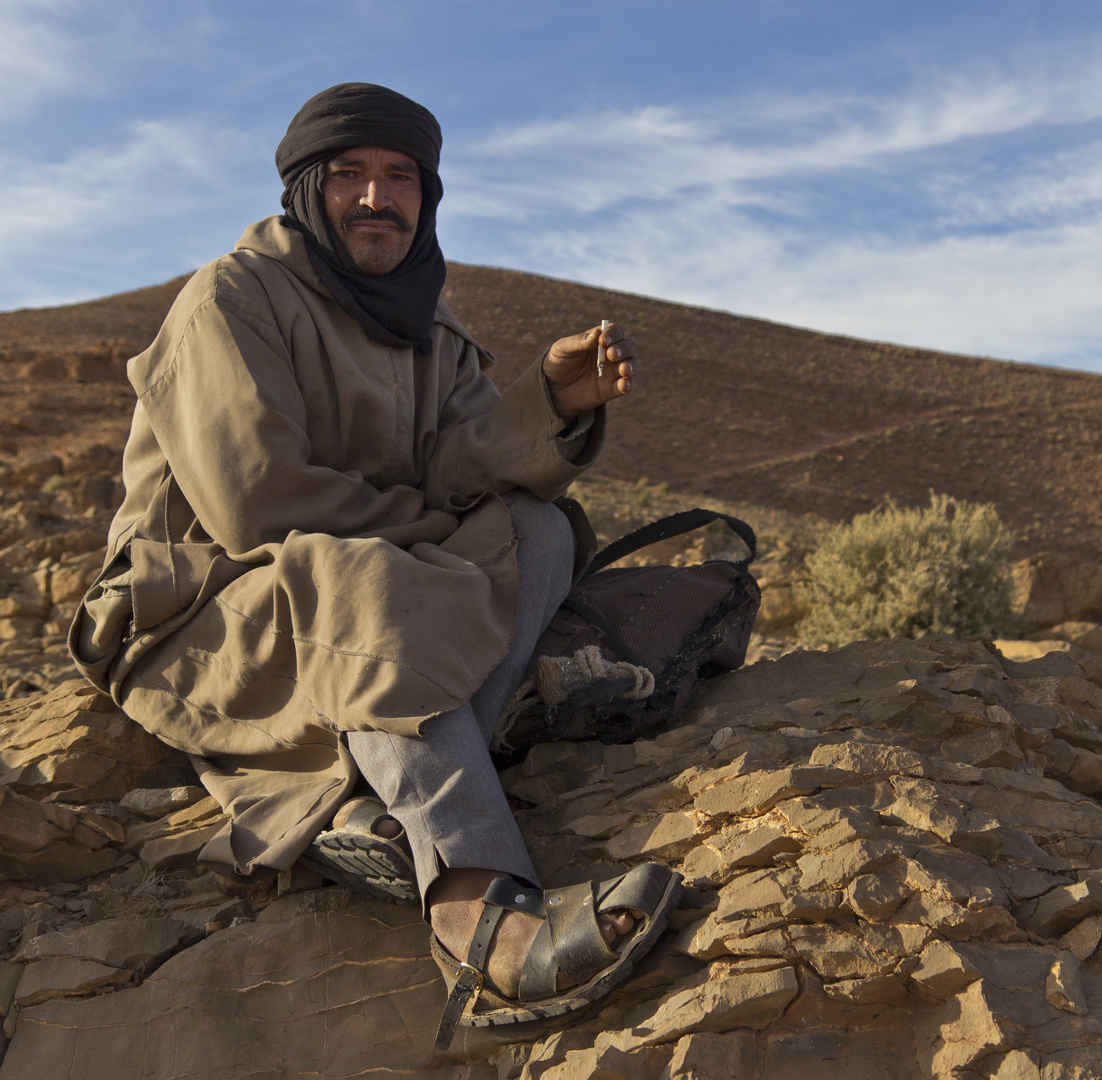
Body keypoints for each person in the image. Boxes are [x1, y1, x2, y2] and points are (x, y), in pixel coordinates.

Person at [69, 82, 681, 1042]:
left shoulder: (429, 329)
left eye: (401, 178)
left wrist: (548, 402)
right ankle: (479, 912)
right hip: (201, 609)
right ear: (306, 189)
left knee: (542, 530)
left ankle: (383, 805)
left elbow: (468, 467)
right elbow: (257, 504)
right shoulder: (231, 299)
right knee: (368, 581)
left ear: (427, 199)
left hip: (355, 587)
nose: (375, 197)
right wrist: (433, 541)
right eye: (349, 174)